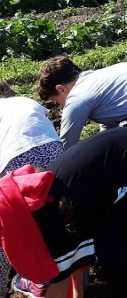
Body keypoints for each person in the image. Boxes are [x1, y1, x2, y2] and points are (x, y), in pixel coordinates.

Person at [5, 127, 127, 298]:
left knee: (109, 243)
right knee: (92, 236)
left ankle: (126, 291)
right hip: (120, 149)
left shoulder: (51, 225)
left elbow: (59, 284)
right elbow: (73, 261)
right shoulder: (28, 204)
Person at [0, 84, 65, 297]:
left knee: (7, 228)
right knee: (54, 213)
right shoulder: (24, 102)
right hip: (54, 151)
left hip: (15, 158)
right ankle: (66, 272)